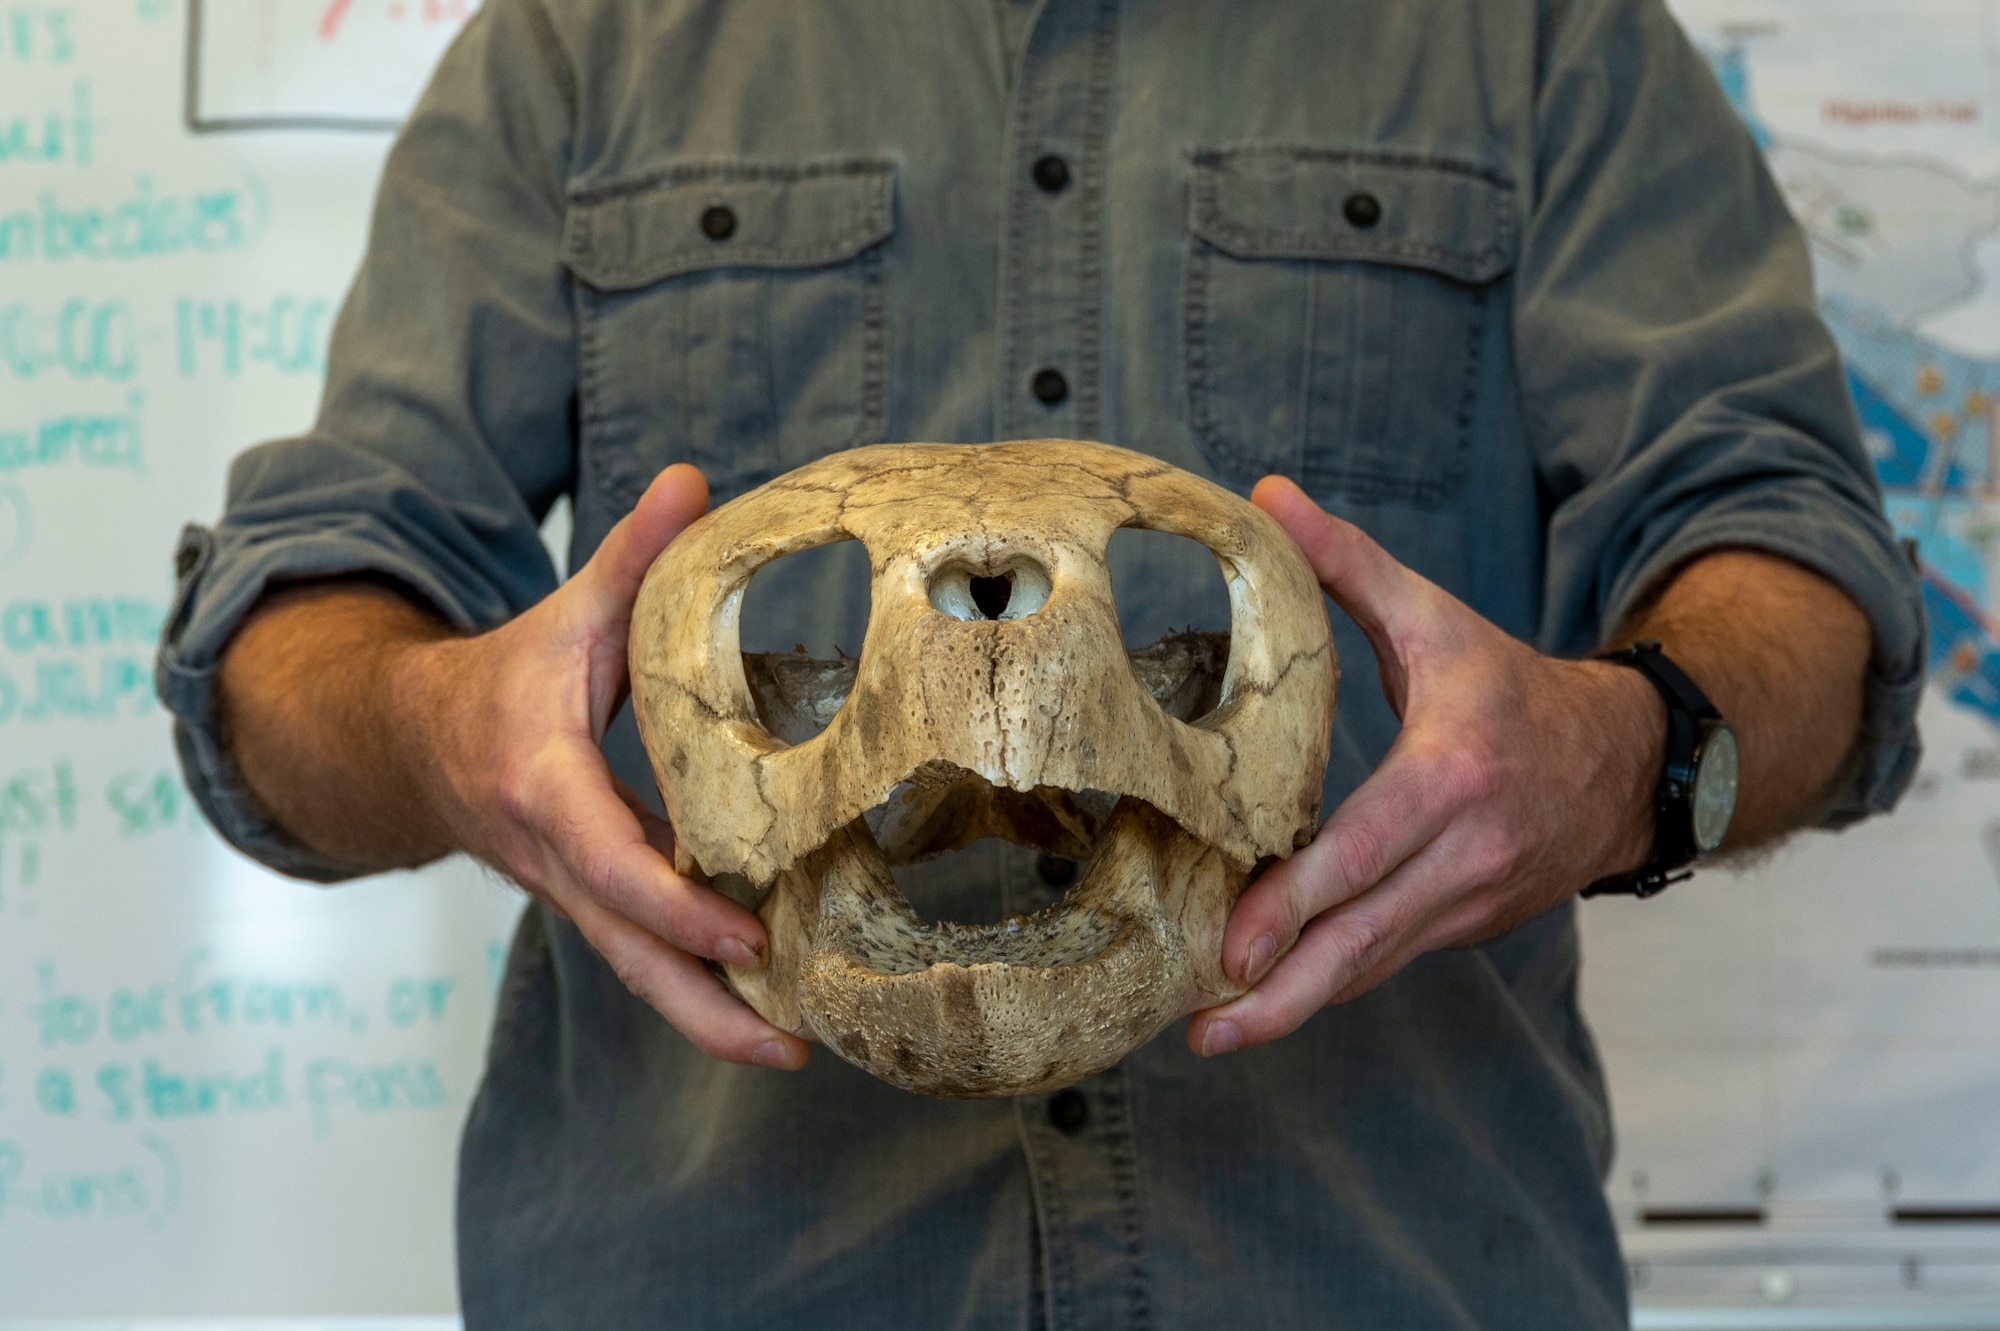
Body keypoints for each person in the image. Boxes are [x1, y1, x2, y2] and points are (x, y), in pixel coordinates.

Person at [156, 0, 1924, 1324]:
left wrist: (1620, 756)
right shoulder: (581, 39)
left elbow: (1799, 569)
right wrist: (435, 726)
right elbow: (297, 634)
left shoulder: (1533, 33)